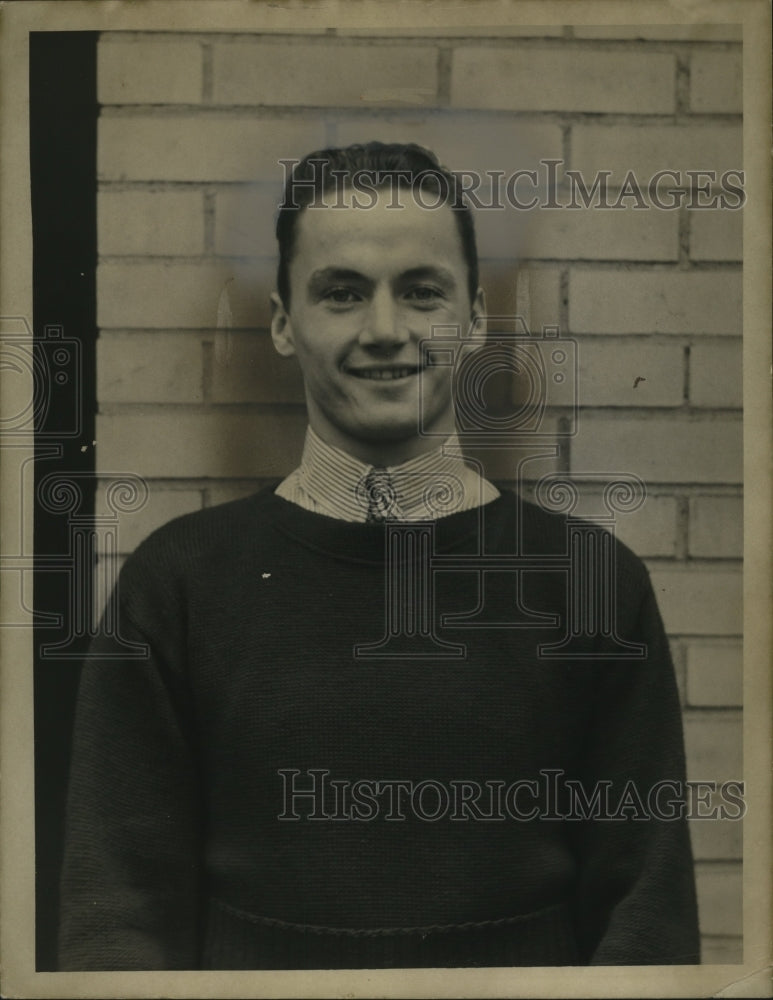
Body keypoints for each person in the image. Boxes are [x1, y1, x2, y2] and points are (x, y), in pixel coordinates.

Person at [57, 142, 700, 970]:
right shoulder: (176, 582)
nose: (386, 331)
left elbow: (646, 913)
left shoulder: (591, 583)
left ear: (474, 319)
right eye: (342, 293)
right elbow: (115, 914)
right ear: (284, 323)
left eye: (422, 292)